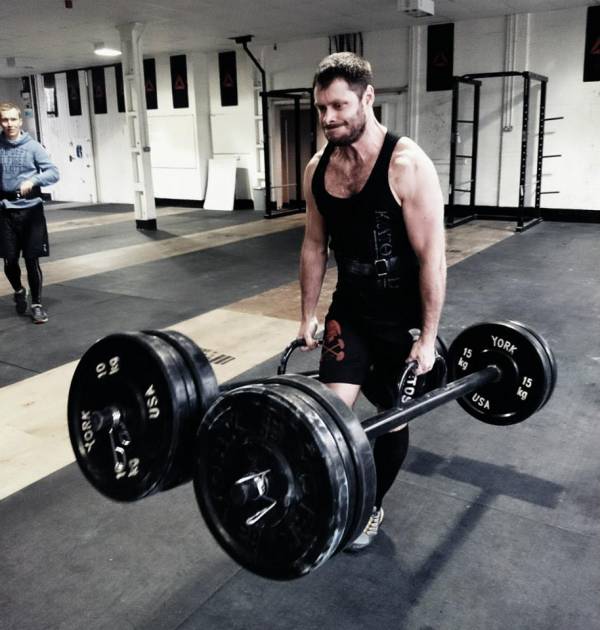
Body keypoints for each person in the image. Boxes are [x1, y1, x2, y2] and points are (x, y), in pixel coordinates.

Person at [298, 53, 446, 551]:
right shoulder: (318, 169)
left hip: (399, 320)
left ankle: (371, 504)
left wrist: (427, 339)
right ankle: (333, 497)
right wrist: (307, 315)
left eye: (338, 105)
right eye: (321, 108)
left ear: (367, 97)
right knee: (334, 417)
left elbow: (432, 258)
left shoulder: (407, 165)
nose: (328, 118)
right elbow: (314, 245)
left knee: (391, 418)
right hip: (350, 311)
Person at [0, 102, 59, 324]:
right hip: (5, 211)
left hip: (31, 211)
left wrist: (33, 180)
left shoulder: (33, 147)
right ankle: (18, 290)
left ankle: (36, 304)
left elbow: (53, 173)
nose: (9, 124)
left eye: (13, 119)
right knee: (10, 261)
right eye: (5, 120)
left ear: (20, 121)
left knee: (32, 260)